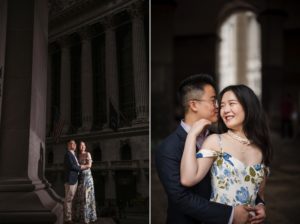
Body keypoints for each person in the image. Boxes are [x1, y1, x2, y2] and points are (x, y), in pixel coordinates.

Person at [155, 74, 264, 224]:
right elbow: (181, 198)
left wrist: (259, 204)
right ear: (193, 105)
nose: (218, 107)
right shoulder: (167, 148)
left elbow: (240, 178)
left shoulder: (219, 137)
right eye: (214, 100)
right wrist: (231, 215)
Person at [181, 84, 272, 224]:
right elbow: (188, 179)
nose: (225, 110)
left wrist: (261, 206)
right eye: (222, 105)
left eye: (231, 104)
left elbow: (259, 194)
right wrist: (192, 135)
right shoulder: (216, 142)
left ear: (248, 106)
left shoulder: (261, 147)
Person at [74, 141, 97, 223]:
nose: (82, 147)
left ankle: (88, 217)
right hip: (81, 178)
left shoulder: (88, 154)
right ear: (79, 147)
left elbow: (89, 165)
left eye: (83, 145)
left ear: (85, 146)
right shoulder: (78, 156)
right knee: (81, 197)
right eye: (80, 145)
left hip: (88, 178)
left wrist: (80, 167)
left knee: (87, 197)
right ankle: (81, 217)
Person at [64, 139, 84, 223]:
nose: (74, 145)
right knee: (69, 199)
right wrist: (81, 167)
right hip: (70, 180)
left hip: (75, 179)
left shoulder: (74, 154)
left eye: (75, 144)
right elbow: (72, 166)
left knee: (74, 199)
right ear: (68, 145)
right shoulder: (68, 154)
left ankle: (73, 217)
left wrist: (80, 167)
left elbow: (76, 165)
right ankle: (67, 219)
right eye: (72, 143)